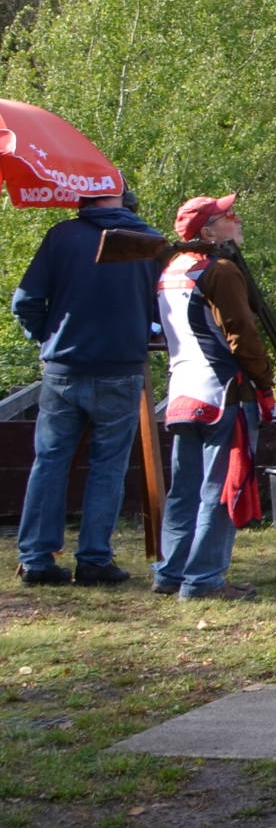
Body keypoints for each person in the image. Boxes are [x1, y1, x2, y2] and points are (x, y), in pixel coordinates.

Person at [11, 176, 162, 586]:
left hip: (64, 368)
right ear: (122, 197)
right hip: (121, 366)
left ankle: (37, 559)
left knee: (50, 462)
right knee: (107, 468)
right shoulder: (149, 242)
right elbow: (161, 310)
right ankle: (94, 558)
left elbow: (24, 302)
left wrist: (47, 335)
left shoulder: (62, 237)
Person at [154, 195, 274, 601]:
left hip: (181, 390)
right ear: (207, 233)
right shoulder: (219, 271)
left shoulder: (170, 270)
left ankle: (172, 571)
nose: (237, 221)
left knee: (183, 490)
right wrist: (264, 381)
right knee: (220, 488)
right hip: (223, 391)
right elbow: (242, 334)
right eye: (228, 217)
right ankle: (203, 578)